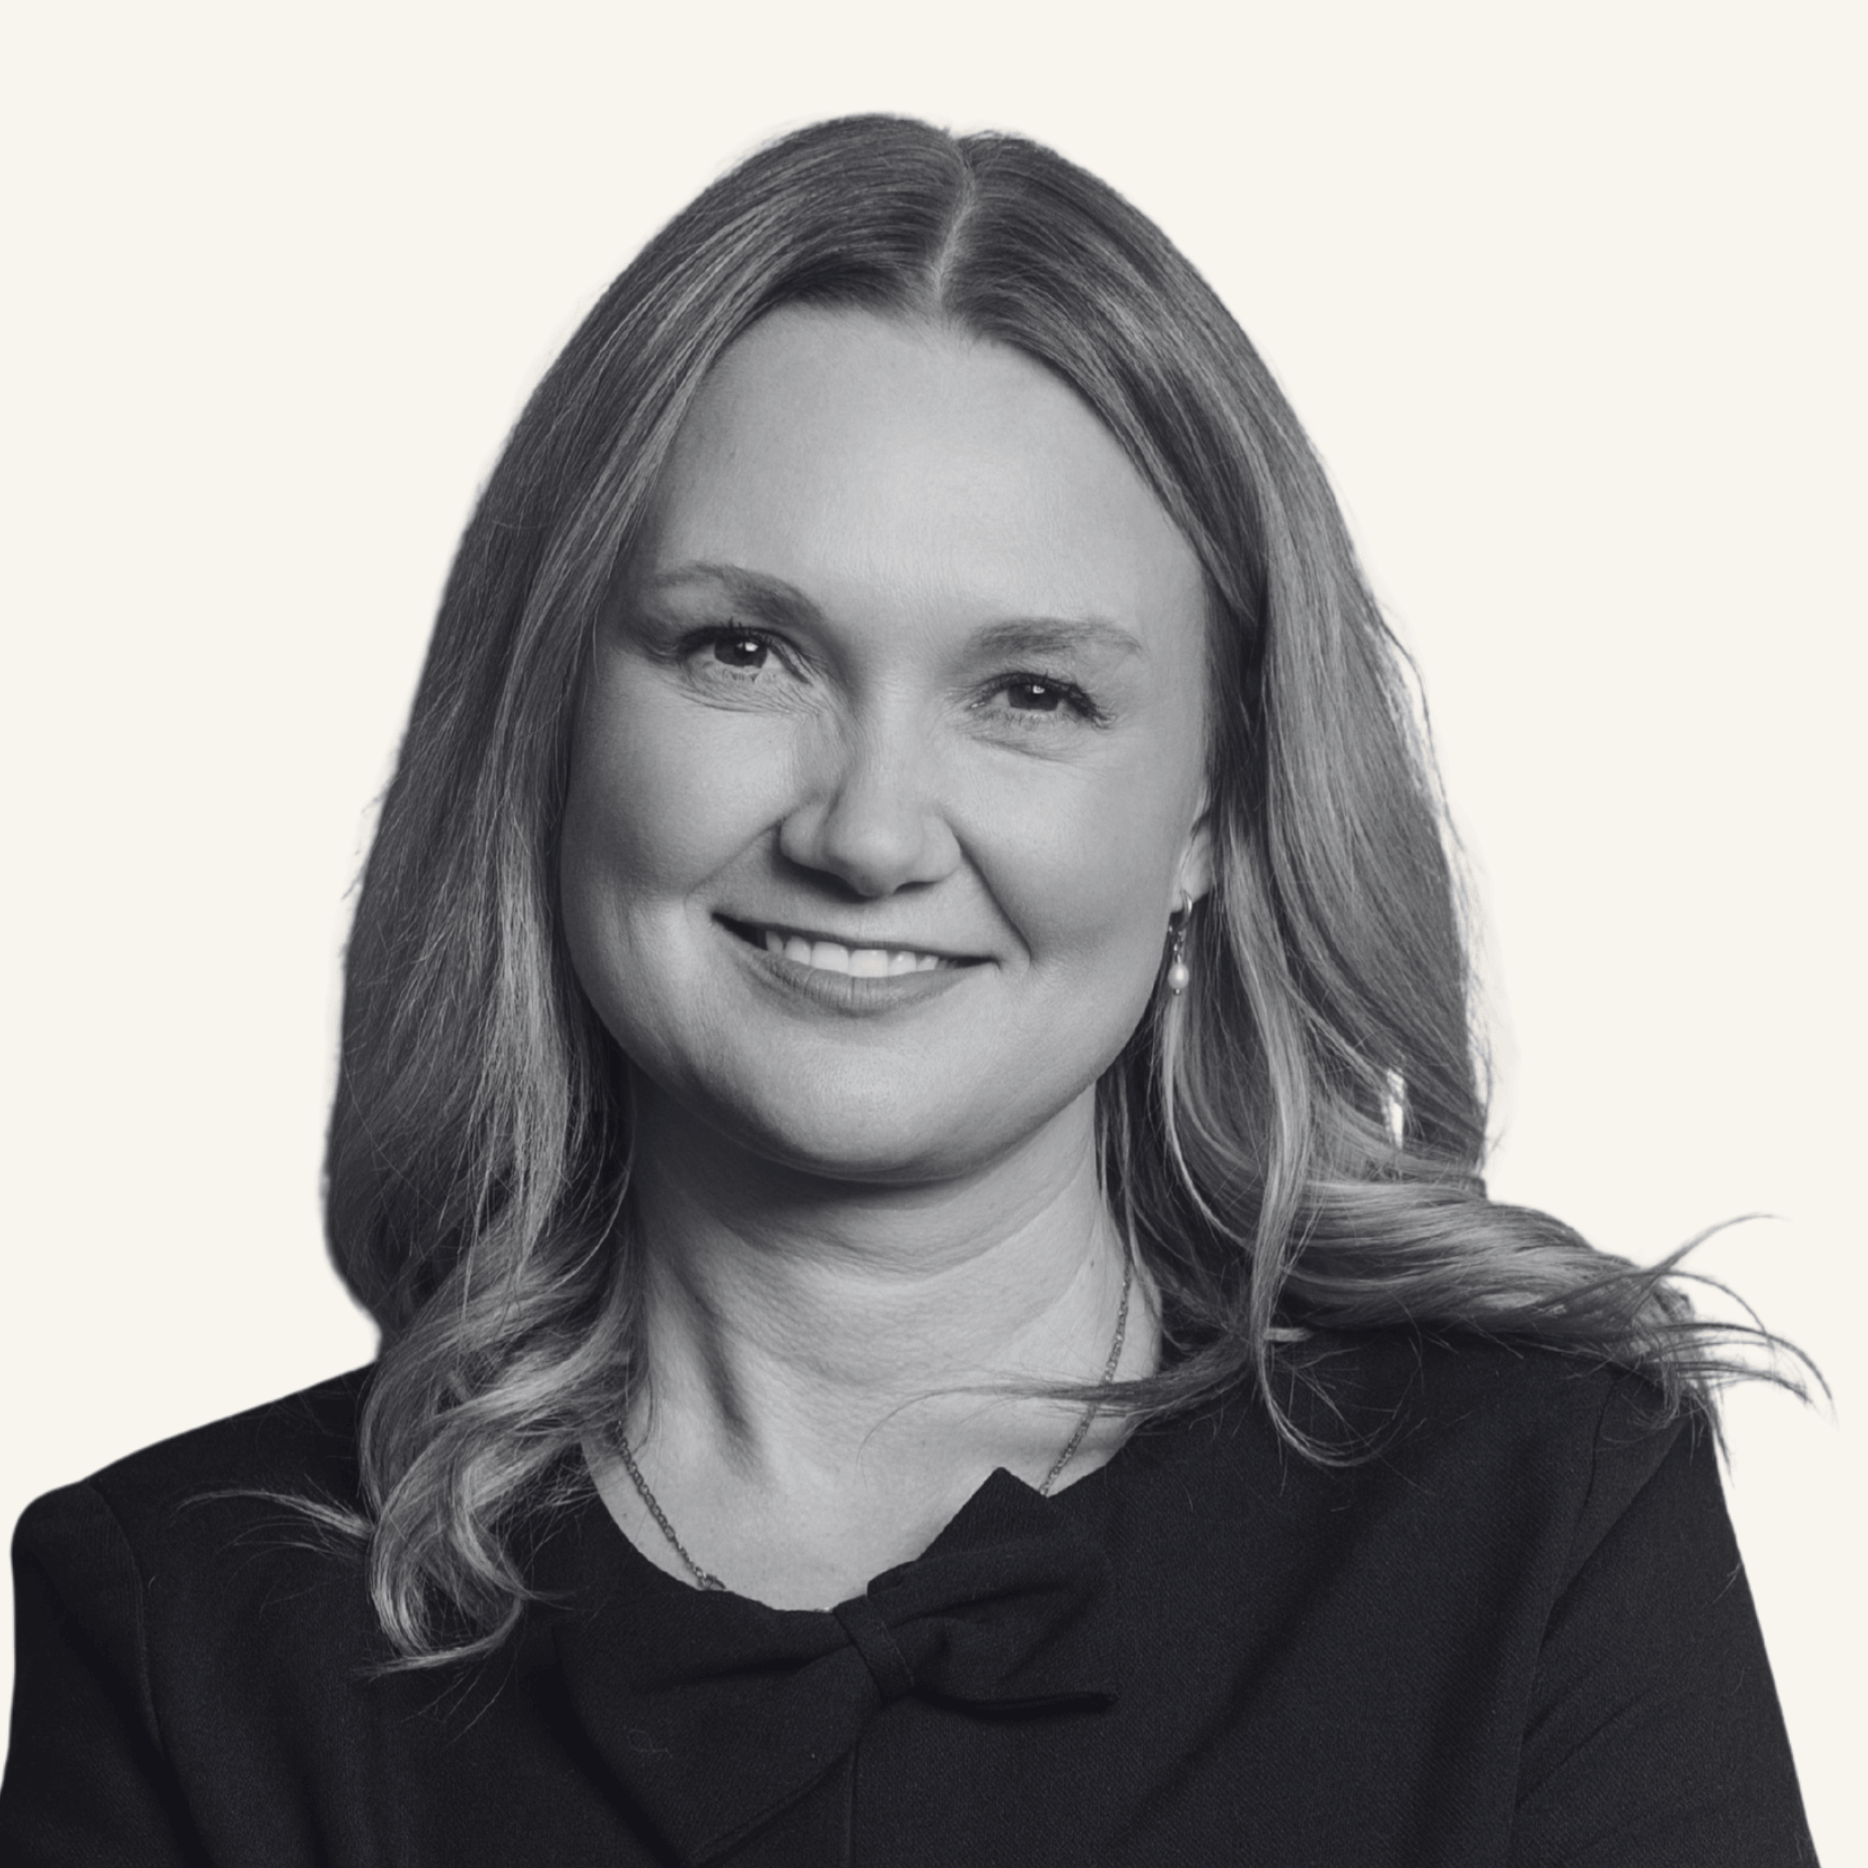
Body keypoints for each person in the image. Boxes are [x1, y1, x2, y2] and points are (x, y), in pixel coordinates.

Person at [0, 114, 1818, 1866]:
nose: (868, 834)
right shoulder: (181, 1629)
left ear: (1213, 811)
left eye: (1031, 694)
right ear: (549, 723)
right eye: (743, 650)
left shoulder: (1541, 1513)